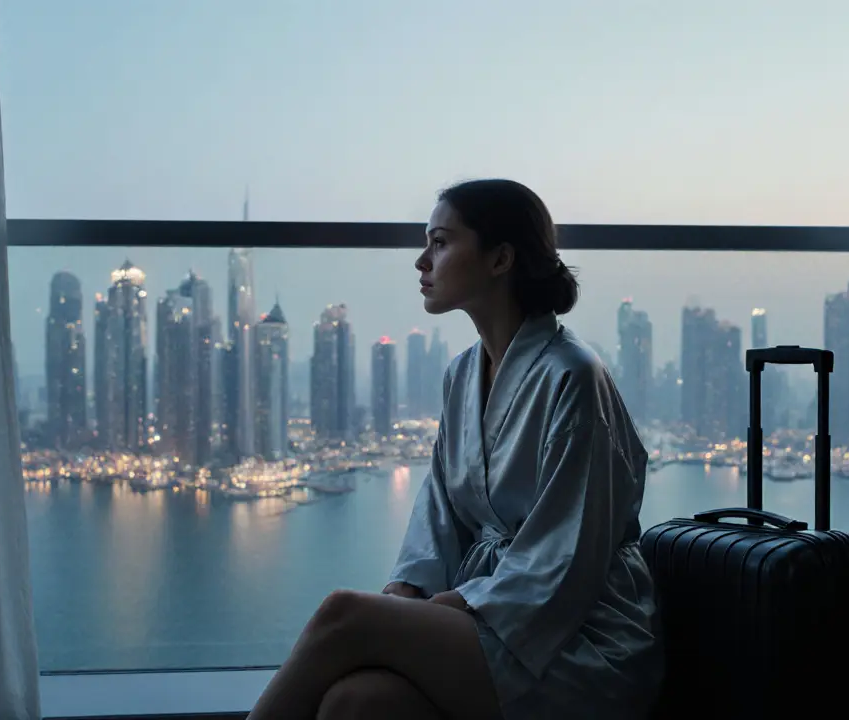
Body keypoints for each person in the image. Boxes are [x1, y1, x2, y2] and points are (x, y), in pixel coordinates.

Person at [247, 179, 663, 720]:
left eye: (440, 243)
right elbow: (438, 513)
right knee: (356, 703)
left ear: (500, 259)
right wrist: (406, 594)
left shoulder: (573, 375)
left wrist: (446, 606)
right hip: (486, 613)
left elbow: (566, 555)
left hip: (579, 636)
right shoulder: (461, 375)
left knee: (342, 616)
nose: (422, 261)